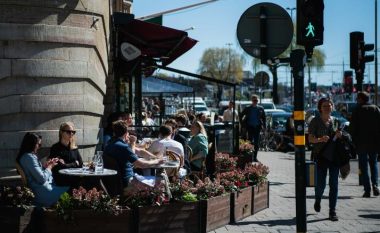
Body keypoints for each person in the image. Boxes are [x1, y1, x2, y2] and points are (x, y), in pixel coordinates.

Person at [308, 97, 342, 221]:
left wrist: (340, 135)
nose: (327, 108)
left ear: (332, 107)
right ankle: (318, 199)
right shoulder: (315, 121)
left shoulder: (336, 121)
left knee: (334, 184)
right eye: (324, 106)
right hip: (320, 156)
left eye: (329, 105)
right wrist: (320, 139)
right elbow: (310, 139)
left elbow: (340, 138)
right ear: (320, 108)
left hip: (334, 157)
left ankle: (332, 211)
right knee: (320, 184)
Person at [104, 120, 163, 188]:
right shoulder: (123, 147)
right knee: (162, 181)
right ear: (126, 133)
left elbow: (139, 151)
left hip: (114, 182)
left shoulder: (109, 144)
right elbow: (141, 165)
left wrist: (155, 157)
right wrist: (157, 161)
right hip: (128, 182)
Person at [17, 132, 69, 207]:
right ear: (32, 144)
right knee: (72, 190)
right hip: (43, 192)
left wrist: (45, 166)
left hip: (41, 190)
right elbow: (41, 178)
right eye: (39, 144)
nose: (39, 147)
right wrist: (50, 167)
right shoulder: (29, 157)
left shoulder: (25, 156)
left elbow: (35, 174)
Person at [349, 91, 380, 197]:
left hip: (361, 143)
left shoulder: (357, 110)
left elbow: (352, 128)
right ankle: (375, 185)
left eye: (358, 98)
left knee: (363, 166)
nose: (357, 100)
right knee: (373, 163)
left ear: (361, 99)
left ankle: (367, 190)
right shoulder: (376, 109)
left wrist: (352, 141)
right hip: (374, 143)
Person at [49, 122, 83, 187]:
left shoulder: (74, 147)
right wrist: (75, 164)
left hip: (75, 178)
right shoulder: (55, 148)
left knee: (94, 180)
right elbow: (59, 167)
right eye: (68, 132)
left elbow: (81, 164)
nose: (71, 134)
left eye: (73, 132)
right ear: (61, 132)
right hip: (63, 180)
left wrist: (66, 164)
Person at [240, 94, 266, 162]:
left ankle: (255, 157)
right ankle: (250, 157)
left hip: (257, 127)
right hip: (250, 127)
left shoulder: (260, 108)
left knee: (257, 143)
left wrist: (264, 127)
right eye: (254, 100)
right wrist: (243, 124)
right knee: (250, 142)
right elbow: (241, 115)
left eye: (257, 100)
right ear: (252, 101)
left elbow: (264, 118)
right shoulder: (248, 108)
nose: (256, 102)